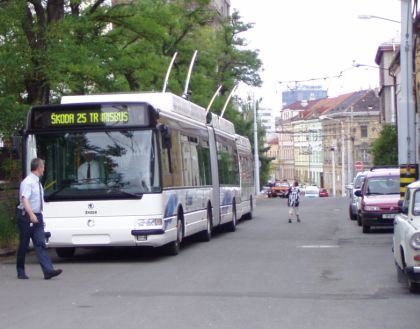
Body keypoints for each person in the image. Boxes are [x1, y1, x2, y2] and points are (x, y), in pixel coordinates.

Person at [16, 158, 62, 280]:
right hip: (26, 216)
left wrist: (38, 215)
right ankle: (20, 270)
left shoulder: (38, 182)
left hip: (37, 216)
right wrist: (31, 214)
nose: (44, 169)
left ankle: (48, 270)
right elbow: (25, 199)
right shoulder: (28, 182)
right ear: (38, 168)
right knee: (24, 245)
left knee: (40, 243)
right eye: (43, 167)